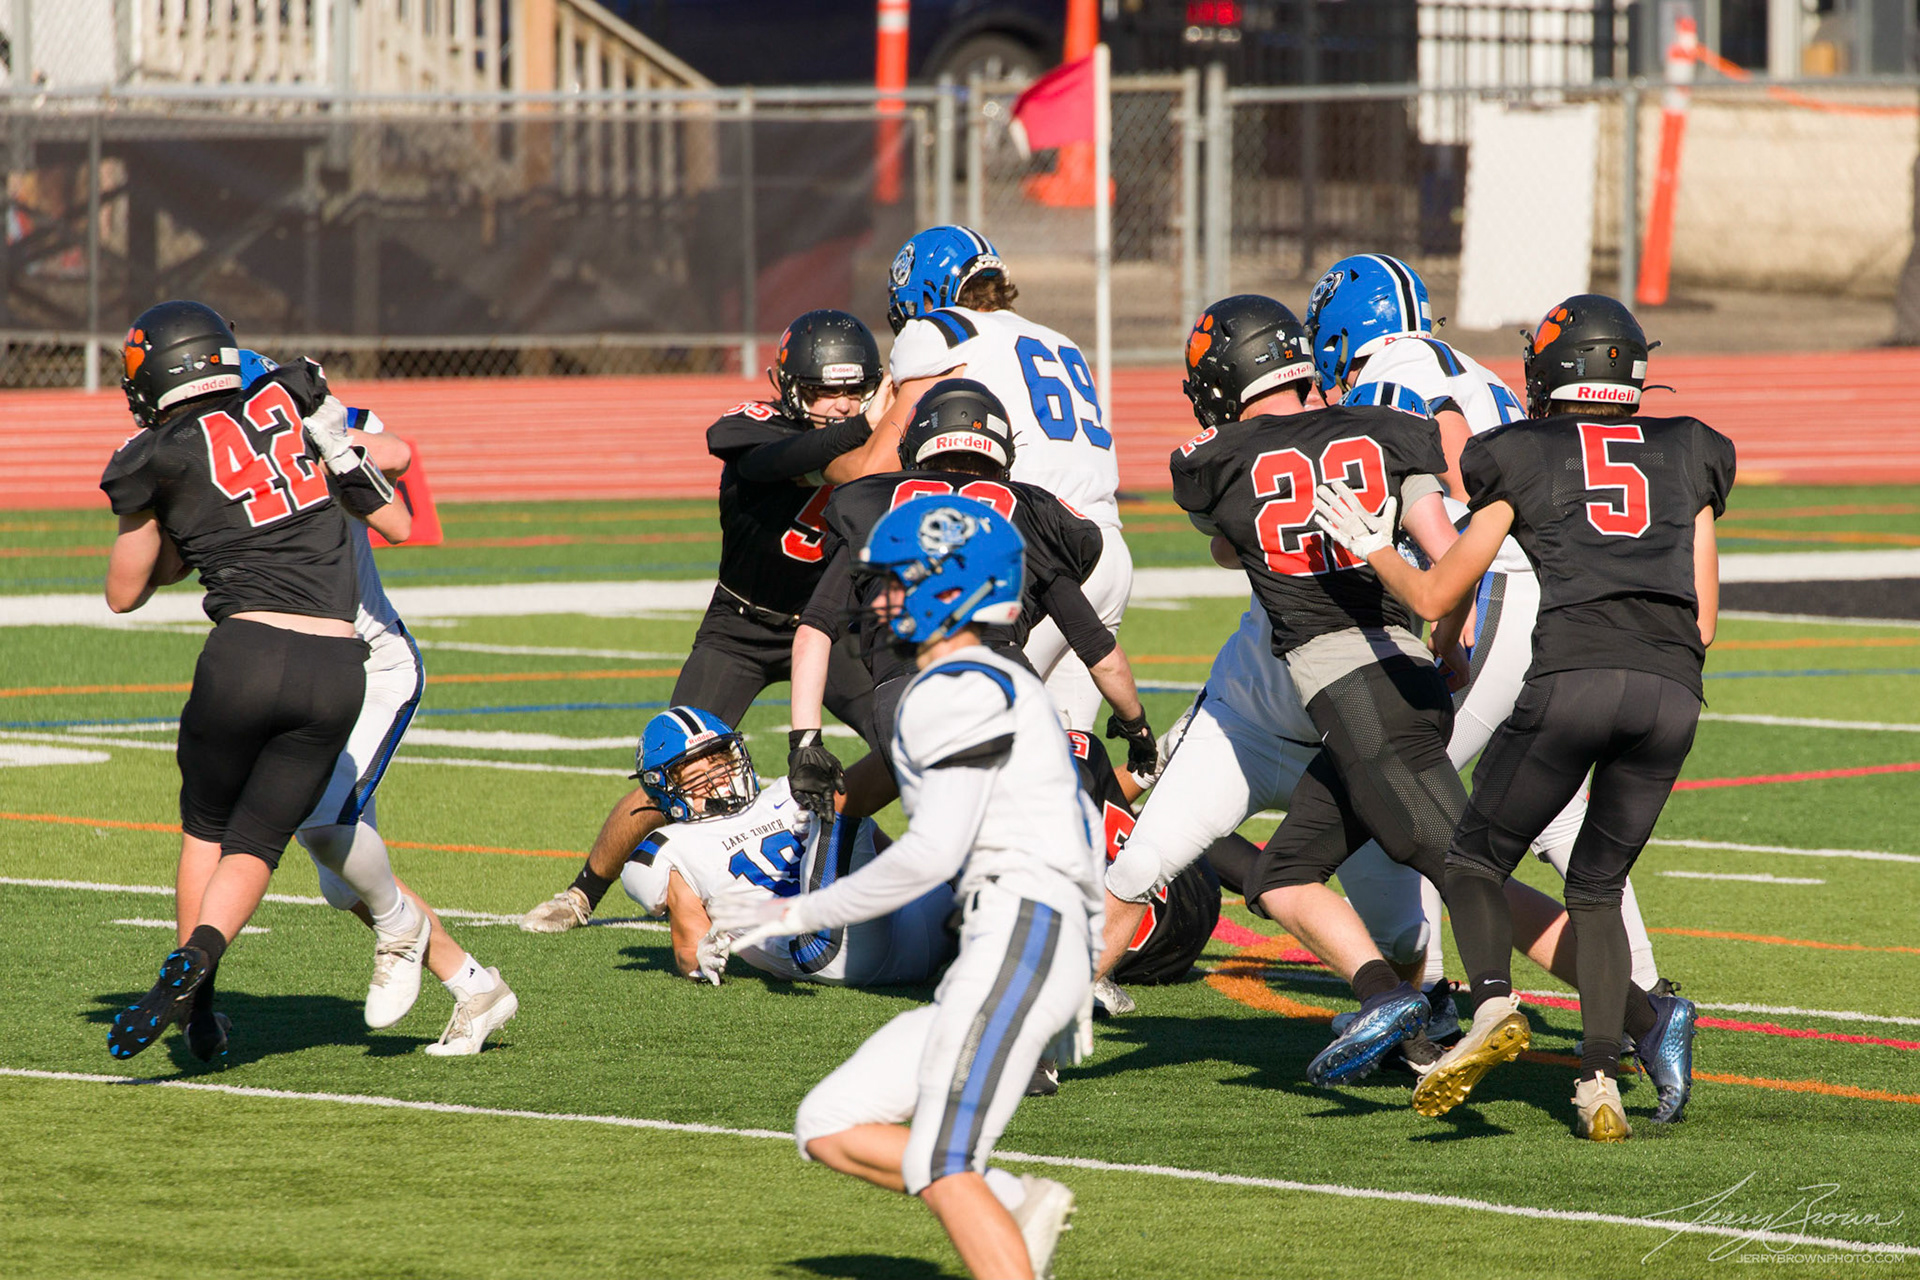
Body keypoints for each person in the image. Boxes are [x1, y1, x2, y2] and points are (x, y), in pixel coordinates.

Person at [1313, 294, 1730, 1139]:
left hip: (1574, 682)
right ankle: (1600, 1080)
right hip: (1671, 695)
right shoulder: (1691, 448)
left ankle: (1492, 1006)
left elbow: (1438, 592)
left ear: (1549, 375)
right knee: (1596, 888)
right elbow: (1705, 620)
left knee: (1470, 857)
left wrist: (1372, 546)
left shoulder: (1523, 454)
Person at [711, 495, 1100, 1280]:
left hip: (1024, 931)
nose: (877, 600)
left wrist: (796, 909)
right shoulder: (975, 678)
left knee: (942, 1162)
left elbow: (930, 854)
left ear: (950, 587)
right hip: (1009, 936)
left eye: (895, 581)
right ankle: (1012, 1201)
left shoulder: (959, 687)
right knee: (830, 1121)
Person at [1305, 253, 1666, 998]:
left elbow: (1452, 490)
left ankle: (1430, 996)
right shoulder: (1468, 368)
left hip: (1490, 587)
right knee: (1557, 815)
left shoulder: (1391, 379)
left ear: (1340, 332)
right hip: (1545, 590)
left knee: (1398, 794)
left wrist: (1451, 616)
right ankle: (1649, 994)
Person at [100, 300, 409, 1061]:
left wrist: (172, 526)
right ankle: (200, 955)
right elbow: (398, 515)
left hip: (245, 654)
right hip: (338, 667)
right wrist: (336, 445)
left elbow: (124, 591)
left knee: (207, 829)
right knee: (259, 843)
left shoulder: (152, 453)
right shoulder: (292, 399)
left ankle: (199, 1007)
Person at [522, 310, 891, 933]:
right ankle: (583, 891)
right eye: (825, 390)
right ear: (790, 386)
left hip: (829, 629)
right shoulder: (756, 426)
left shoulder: (876, 441)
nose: (842, 403)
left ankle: (869, 860)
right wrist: (869, 425)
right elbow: (779, 457)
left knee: (911, 742)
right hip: (740, 628)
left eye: (856, 390)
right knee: (681, 770)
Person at [215, 350, 517, 1057]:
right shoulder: (212, 457)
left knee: (324, 825)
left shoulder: (309, 426)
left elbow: (400, 468)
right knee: (337, 875)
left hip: (370, 665)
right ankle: (475, 987)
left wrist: (328, 439)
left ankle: (401, 933)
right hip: (292, 670)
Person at [787, 378, 1155, 808]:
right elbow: (1100, 653)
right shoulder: (1030, 512)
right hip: (1005, 685)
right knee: (1051, 817)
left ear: (915, 447)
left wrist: (805, 741)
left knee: (951, 826)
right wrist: (1136, 727)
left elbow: (814, 630)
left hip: (907, 692)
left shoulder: (869, 503)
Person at [882, 226, 1130, 734]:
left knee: (957, 729)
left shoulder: (940, 331)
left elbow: (877, 464)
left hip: (1036, 552)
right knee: (1064, 751)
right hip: (1106, 549)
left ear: (925, 294)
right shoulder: (1057, 340)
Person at [618, 705, 955, 987]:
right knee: (839, 800)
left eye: (718, 760)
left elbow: (889, 856)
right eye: (695, 771)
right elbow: (690, 940)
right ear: (663, 786)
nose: (716, 775)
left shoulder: (786, 791)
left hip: (903, 927)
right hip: (820, 946)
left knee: (971, 877)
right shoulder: (675, 844)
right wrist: (700, 956)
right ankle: (937, 738)